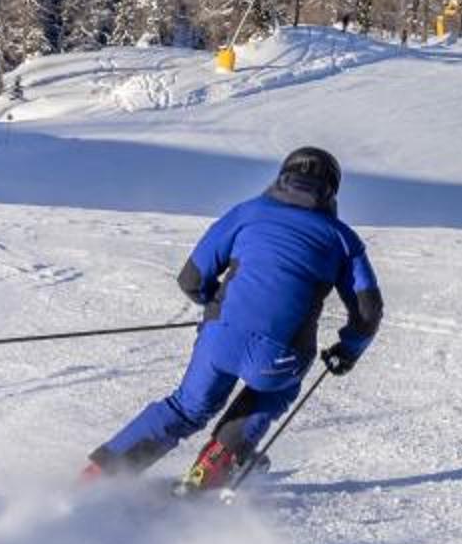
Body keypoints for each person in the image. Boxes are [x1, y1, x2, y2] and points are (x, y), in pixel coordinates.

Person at [84, 146, 381, 489]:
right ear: (331, 190)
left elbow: (192, 279)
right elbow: (368, 312)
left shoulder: (247, 213)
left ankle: (99, 475)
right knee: (273, 392)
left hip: (220, 337)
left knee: (186, 408)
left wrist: (217, 309)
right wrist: (347, 351)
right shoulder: (343, 239)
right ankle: (211, 468)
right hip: (281, 353)